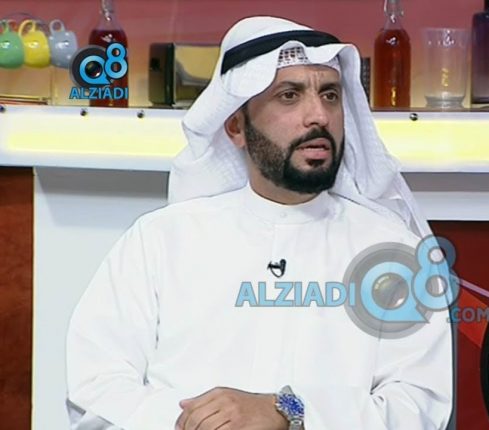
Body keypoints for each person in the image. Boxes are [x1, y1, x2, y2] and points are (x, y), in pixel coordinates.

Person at [65, 16, 453, 430]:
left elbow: (418, 407)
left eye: (330, 95)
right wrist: (202, 422)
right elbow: (95, 391)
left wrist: (288, 413)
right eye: (289, 96)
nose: (318, 115)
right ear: (236, 127)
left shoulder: (395, 253)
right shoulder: (160, 240)